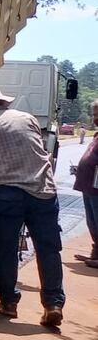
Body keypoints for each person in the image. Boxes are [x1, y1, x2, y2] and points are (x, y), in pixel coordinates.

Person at [0, 85, 65, 328]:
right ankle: (53, 304)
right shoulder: (27, 118)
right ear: (2, 102)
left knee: (7, 249)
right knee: (48, 249)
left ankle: (9, 302)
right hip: (42, 190)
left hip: (8, 193)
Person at [74, 100, 98, 269]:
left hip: (96, 187)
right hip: (89, 185)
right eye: (94, 114)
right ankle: (96, 254)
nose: (95, 118)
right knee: (92, 222)